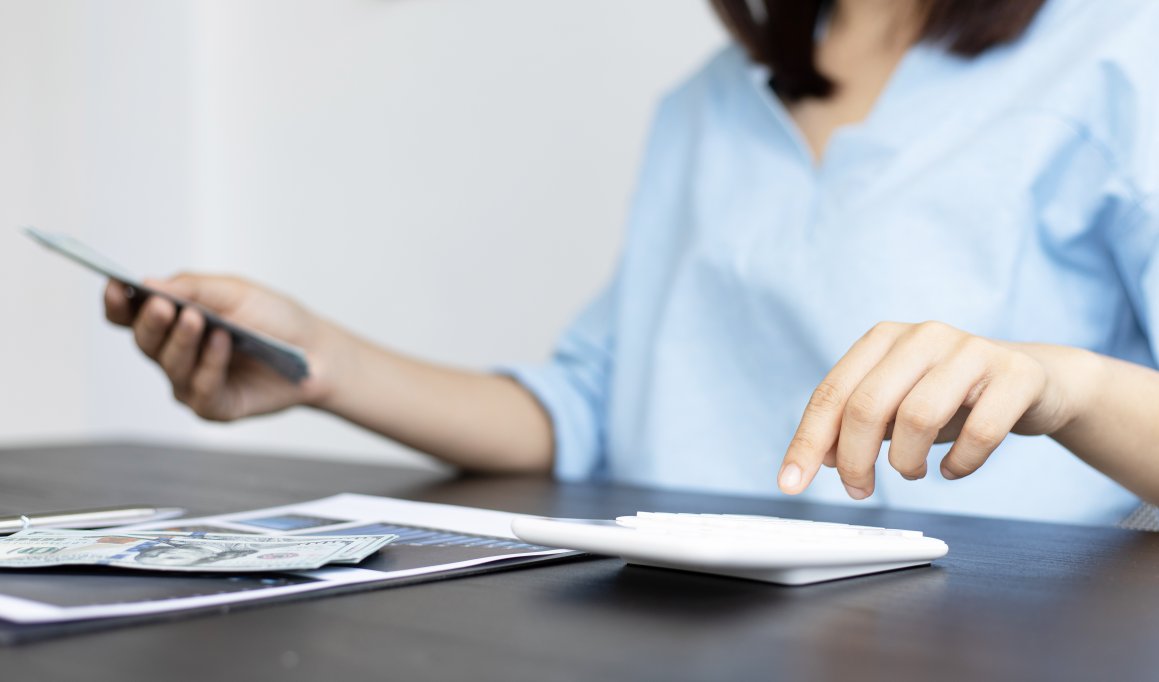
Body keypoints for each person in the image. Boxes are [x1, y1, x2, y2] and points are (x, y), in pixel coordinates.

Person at [104, 0, 1159, 526]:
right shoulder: (704, 106)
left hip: (1003, 636)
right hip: (683, 623)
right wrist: (316, 359)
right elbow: (589, 409)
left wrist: (1065, 384)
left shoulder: (1121, 52)